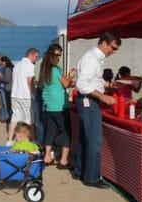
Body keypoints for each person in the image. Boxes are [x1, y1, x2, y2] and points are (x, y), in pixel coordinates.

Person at [74, 32, 121, 189]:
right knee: (94, 139)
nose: (113, 52)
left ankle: (80, 170)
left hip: (87, 100)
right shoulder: (93, 59)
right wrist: (103, 97)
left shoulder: (95, 58)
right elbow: (82, 84)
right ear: (103, 43)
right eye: (112, 48)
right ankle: (92, 177)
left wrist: (108, 86)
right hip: (89, 101)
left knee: (85, 137)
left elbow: (94, 80)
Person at [39, 44, 75, 168]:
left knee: (50, 131)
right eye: (57, 55)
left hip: (48, 105)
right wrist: (70, 75)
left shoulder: (44, 68)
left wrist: (68, 81)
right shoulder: (56, 69)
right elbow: (65, 85)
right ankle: (64, 160)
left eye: (60, 55)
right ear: (52, 55)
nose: (59, 57)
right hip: (60, 106)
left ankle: (47, 156)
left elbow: (56, 84)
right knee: (66, 132)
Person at [7, 48, 39, 145]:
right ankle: (32, 140)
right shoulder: (29, 65)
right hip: (25, 96)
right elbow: (30, 81)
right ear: (31, 55)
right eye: (36, 57)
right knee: (30, 119)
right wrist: (32, 92)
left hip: (15, 95)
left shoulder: (17, 66)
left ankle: (9, 140)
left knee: (15, 118)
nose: (36, 59)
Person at [0, 56, 13, 123]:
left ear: (4, 61)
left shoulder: (7, 69)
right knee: (4, 104)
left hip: (7, 89)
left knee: (7, 104)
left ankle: (7, 117)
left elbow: (7, 79)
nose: (0, 62)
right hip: (4, 88)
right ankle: (4, 117)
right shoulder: (3, 68)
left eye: (1, 61)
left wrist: (0, 76)